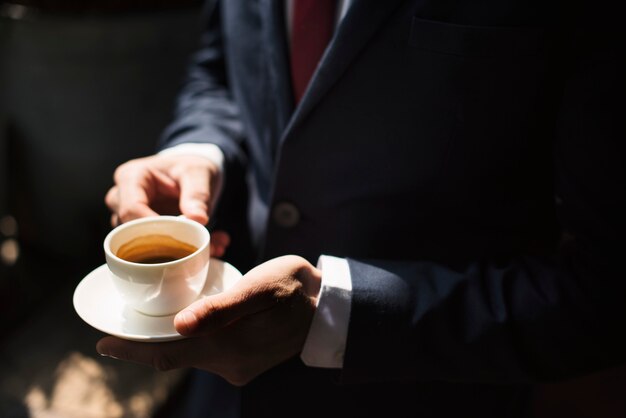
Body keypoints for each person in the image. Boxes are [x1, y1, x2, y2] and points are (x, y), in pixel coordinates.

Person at [97, 0, 625, 417]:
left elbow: (606, 295)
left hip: (424, 396)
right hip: (222, 398)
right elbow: (219, 67)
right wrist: (196, 151)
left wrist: (341, 313)